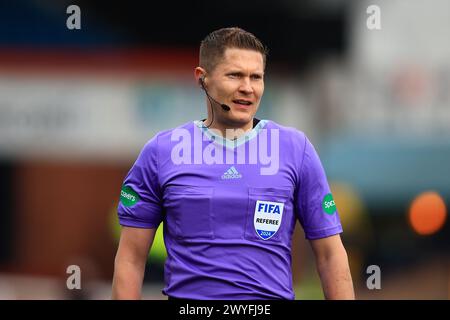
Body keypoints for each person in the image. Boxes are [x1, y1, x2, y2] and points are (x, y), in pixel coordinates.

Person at [112, 27, 355, 300]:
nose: (247, 88)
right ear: (202, 79)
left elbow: (330, 255)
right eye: (235, 75)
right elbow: (131, 259)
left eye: (256, 77)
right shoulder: (161, 152)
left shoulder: (295, 149)